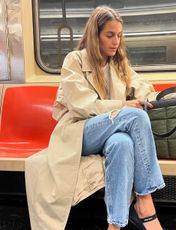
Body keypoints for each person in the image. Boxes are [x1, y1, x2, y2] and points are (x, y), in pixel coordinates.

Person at [25, 5, 165, 230]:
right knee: (134, 116)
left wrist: (166, 97)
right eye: (110, 35)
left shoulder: (119, 65)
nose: (116, 41)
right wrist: (122, 105)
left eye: (119, 35)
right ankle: (145, 200)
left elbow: (142, 88)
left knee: (123, 143)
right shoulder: (75, 60)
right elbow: (81, 105)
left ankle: (115, 224)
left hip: (111, 132)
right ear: (95, 35)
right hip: (80, 132)